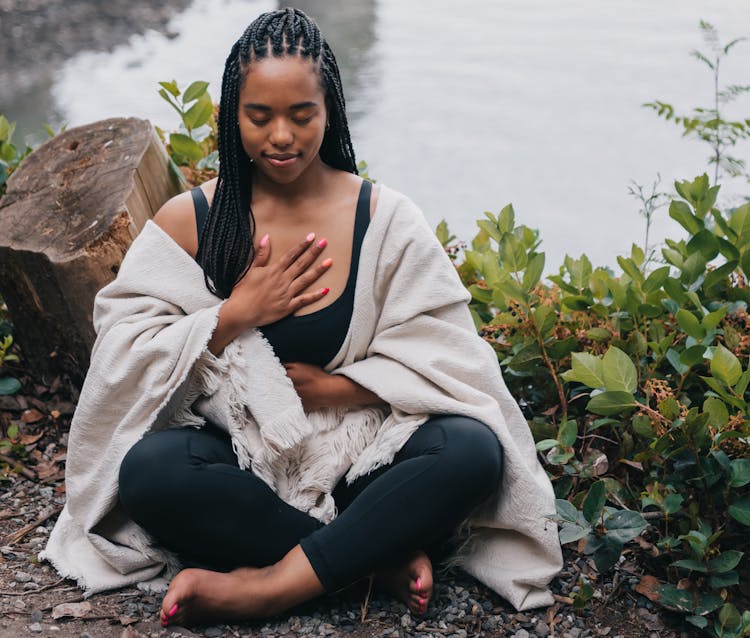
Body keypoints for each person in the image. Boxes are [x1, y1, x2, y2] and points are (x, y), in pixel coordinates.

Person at [41, 7, 562, 629]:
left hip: (360, 461)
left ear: (331, 111)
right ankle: (374, 562)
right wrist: (234, 316)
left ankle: (270, 587)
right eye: (259, 116)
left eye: (301, 114)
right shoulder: (191, 220)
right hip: (243, 462)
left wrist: (339, 388)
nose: (281, 137)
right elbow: (123, 358)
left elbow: (450, 357)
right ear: (232, 116)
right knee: (150, 474)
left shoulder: (385, 219)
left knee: (472, 450)